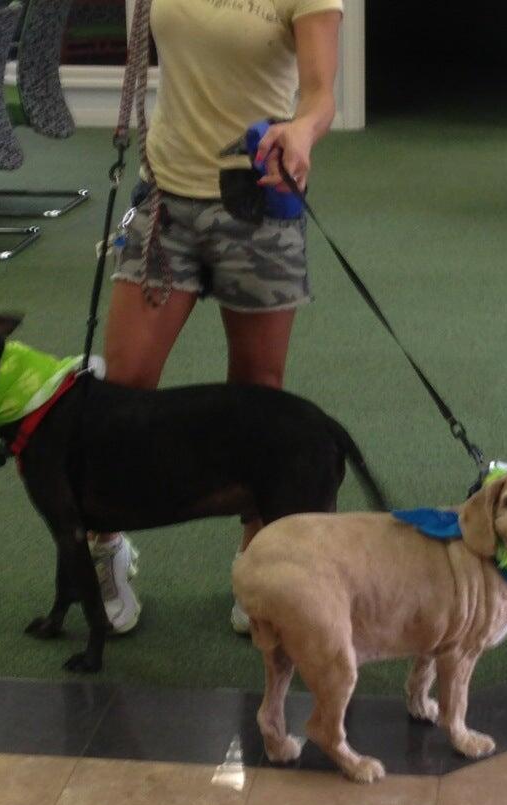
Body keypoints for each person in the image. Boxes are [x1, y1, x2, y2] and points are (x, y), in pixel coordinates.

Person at [89, 0, 343, 636]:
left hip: (258, 202)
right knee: (120, 390)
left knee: (257, 398)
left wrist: (302, 131)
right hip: (165, 201)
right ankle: (104, 547)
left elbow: (320, 94)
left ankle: (258, 563)